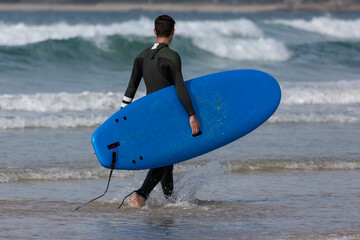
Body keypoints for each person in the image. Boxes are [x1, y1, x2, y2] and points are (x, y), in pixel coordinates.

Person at [120, 15, 200, 208]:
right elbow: (180, 87)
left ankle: (170, 201)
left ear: (154, 31)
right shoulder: (172, 57)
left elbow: (130, 90)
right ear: (173, 32)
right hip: (168, 116)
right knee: (167, 157)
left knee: (168, 159)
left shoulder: (140, 56)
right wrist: (191, 114)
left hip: (149, 115)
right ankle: (141, 195)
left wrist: (122, 117)